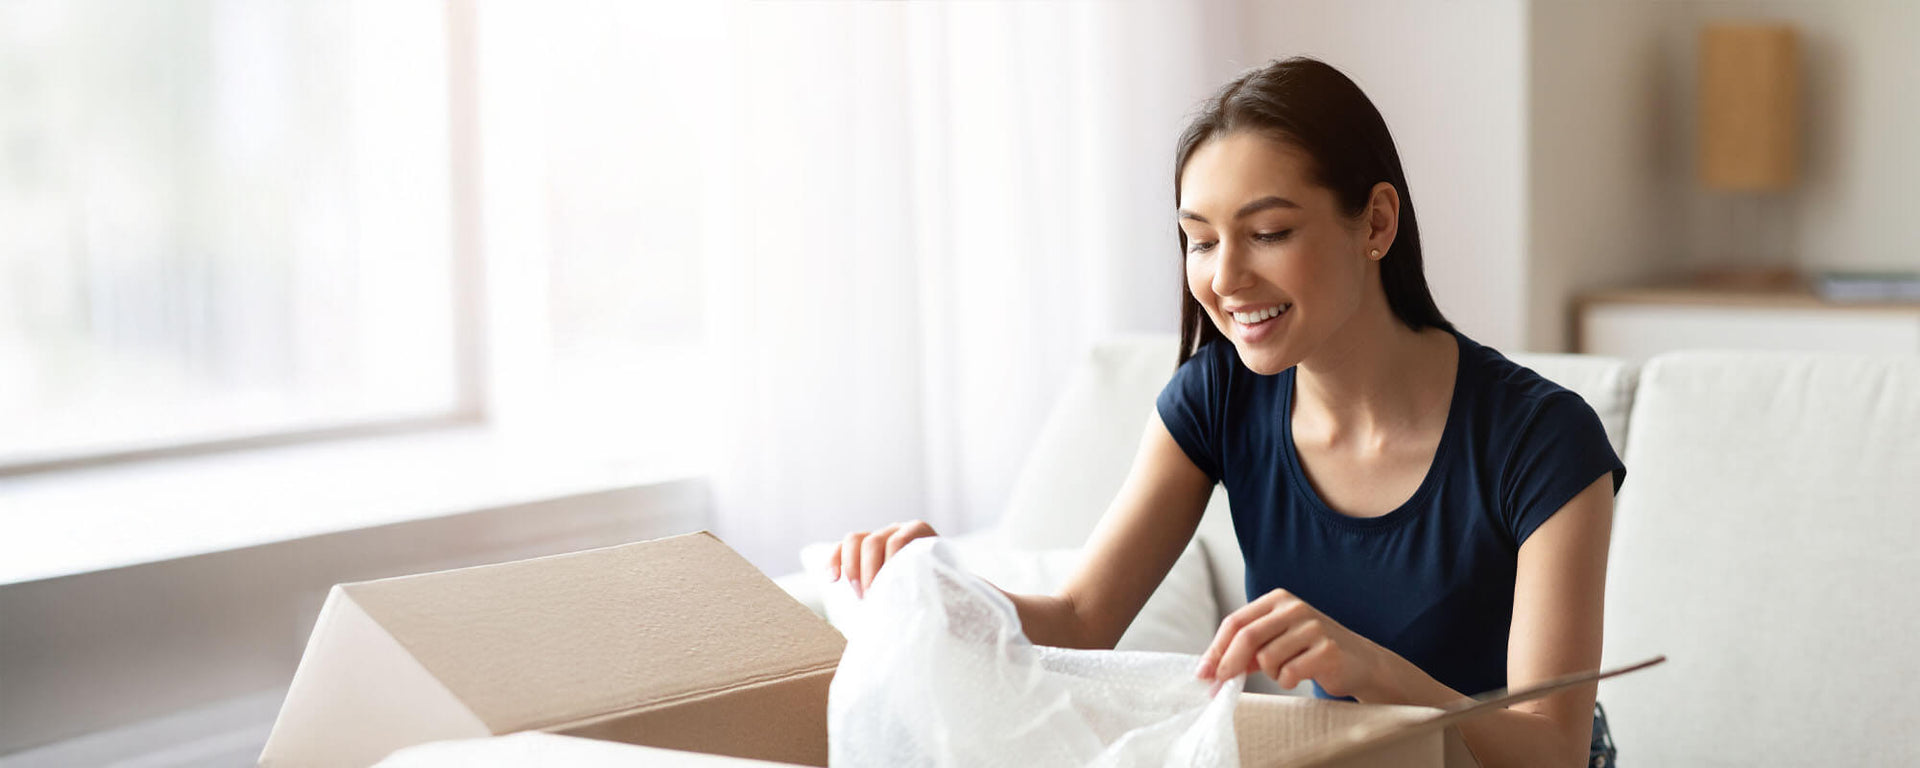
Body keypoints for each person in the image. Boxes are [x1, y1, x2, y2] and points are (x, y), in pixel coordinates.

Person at [826, 57, 1624, 768]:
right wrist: (939, 589)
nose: (1226, 277)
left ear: (1376, 223)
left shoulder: (1541, 440)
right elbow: (1079, 617)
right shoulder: (1217, 398)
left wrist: (1373, 670)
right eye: (1199, 240)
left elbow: (1548, 746)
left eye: (1268, 232)